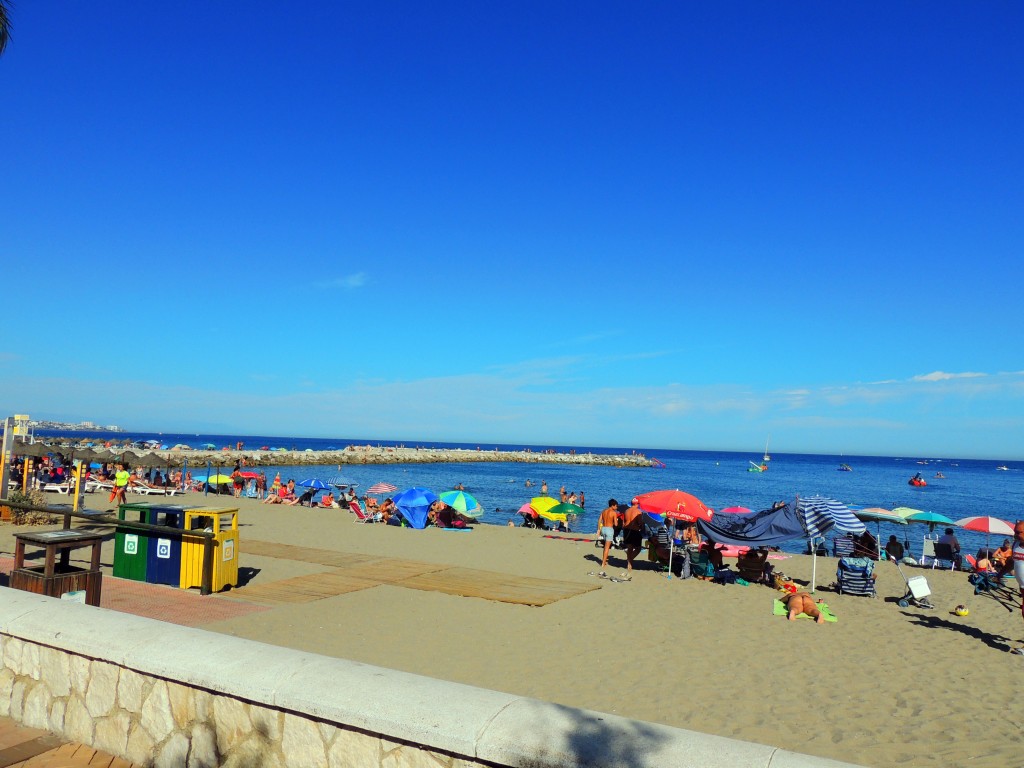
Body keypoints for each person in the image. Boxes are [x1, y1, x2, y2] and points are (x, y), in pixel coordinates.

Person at [596, 499, 619, 576]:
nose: (617, 507)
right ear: (612, 505)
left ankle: (604, 560)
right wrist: (617, 520)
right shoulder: (613, 513)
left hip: (603, 529)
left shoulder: (604, 511)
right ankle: (603, 563)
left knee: (605, 546)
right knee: (607, 547)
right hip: (609, 529)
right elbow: (615, 524)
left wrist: (598, 529)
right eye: (616, 506)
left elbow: (599, 520)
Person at [621, 498, 644, 575]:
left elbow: (624, 522)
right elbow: (640, 523)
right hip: (634, 531)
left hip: (626, 530)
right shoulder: (638, 512)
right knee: (638, 548)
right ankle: (629, 562)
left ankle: (629, 563)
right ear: (637, 504)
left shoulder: (626, 511)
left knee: (630, 547)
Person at [1011, 522, 1024, 655]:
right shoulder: (1015, 545)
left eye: (1019, 532)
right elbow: (1011, 561)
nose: (1015, 535)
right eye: (1015, 531)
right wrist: (999, 574)